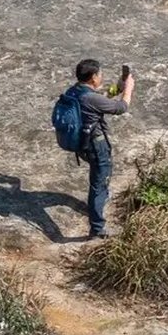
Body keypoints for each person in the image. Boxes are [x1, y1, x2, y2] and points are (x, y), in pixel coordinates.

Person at [63, 59, 132, 240]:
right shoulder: (91, 98)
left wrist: (118, 87)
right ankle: (97, 229)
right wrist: (129, 88)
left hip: (81, 144)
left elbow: (100, 100)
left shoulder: (74, 91)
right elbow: (121, 108)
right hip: (96, 145)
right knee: (99, 183)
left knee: (98, 176)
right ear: (93, 77)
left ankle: (96, 204)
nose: (101, 76)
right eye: (100, 74)